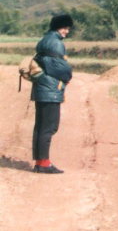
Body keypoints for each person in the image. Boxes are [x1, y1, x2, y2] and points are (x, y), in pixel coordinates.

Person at [31, 14, 74, 174]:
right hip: (50, 90)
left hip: (41, 88)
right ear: (58, 26)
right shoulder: (55, 43)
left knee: (40, 127)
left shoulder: (44, 40)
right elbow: (58, 67)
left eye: (68, 29)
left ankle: (40, 161)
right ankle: (44, 164)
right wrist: (69, 75)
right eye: (65, 28)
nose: (66, 32)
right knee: (49, 127)